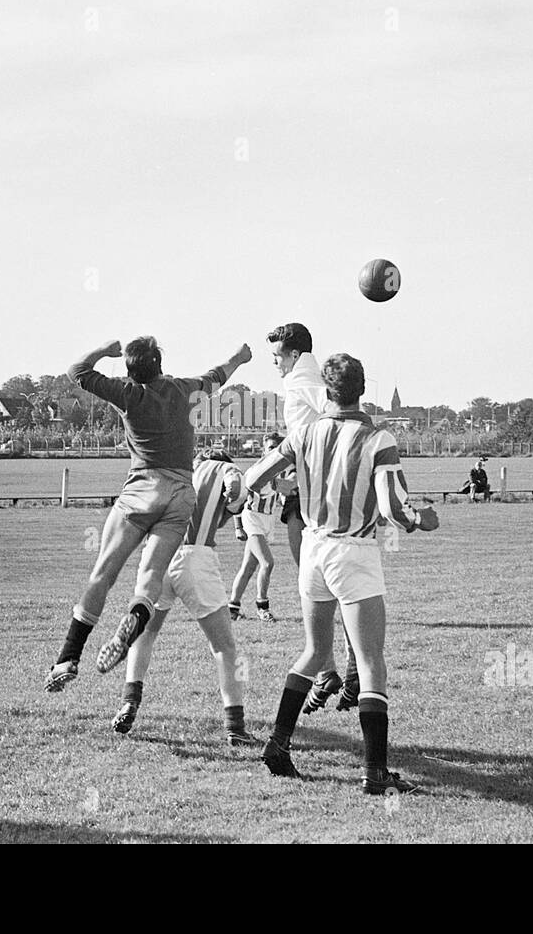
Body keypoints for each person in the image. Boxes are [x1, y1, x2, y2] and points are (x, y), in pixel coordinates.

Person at [245, 353, 439, 794]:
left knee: (314, 652)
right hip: (354, 552)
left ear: (326, 392)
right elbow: (391, 506)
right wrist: (421, 519)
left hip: (313, 548)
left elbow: (255, 476)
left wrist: (248, 493)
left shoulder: (305, 432)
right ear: (362, 390)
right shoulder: (378, 438)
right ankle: (375, 774)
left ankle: (278, 743)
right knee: (370, 665)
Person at [44, 336, 252, 692]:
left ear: (130, 370)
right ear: (159, 363)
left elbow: (76, 371)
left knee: (103, 573)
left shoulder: (128, 394)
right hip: (180, 495)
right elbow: (218, 375)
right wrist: (240, 357)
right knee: (152, 572)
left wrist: (105, 350)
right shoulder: (185, 389)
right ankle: (138, 614)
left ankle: (68, 656)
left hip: (141, 491)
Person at [110, 449, 261, 747]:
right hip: (196, 558)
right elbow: (235, 487)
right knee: (224, 648)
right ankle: (235, 726)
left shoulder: (175, 470)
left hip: (158, 557)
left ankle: (130, 701)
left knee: (146, 633)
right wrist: (234, 490)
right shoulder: (223, 468)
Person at [267, 323, 359, 713]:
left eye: (277, 356)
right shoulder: (303, 376)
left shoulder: (304, 376)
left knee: (323, 585)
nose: (275, 364)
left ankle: (346, 671)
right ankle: (332, 671)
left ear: (293, 354)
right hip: (308, 484)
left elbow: (336, 410)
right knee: (321, 585)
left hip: (315, 488)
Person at [229, 432, 283, 622]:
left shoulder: (278, 473)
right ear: (263, 450)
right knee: (267, 563)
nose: (273, 451)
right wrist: (238, 527)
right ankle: (262, 607)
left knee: (247, 568)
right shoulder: (255, 471)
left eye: (277, 448)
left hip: (268, 521)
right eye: (270, 447)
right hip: (252, 519)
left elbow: (283, 494)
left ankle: (232, 608)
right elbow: (237, 500)